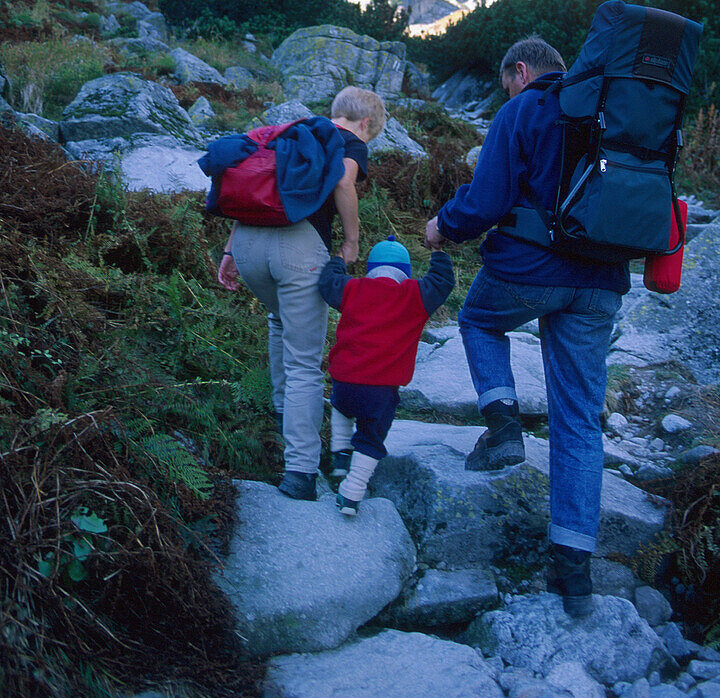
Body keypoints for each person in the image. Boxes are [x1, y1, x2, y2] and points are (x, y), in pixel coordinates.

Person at [425, 36, 629, 617]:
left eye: (504, 83)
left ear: (520, 71)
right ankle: (574, 573)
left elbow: (487, 200)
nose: (504, 92)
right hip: (600, 283)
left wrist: (444, 226)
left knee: (477, 319)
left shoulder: (521, 109)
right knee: (580, 419)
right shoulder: (613, 112)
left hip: (527, 271)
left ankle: (503, 426)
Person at [218, 86, 387, 502]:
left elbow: (260, 189)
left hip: (249, 245)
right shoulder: (350, 141)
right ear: (366, 124)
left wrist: (229, 250)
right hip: (298, 248)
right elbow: (344, 182)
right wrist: (351, 242)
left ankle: (282, 416)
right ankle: (301, 470)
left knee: (279, 321)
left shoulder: (293, 132)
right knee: (306, 364)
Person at [318, 235, 454, 516]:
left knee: (341, 408)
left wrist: (340, 260)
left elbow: (327, 283)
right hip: (381, 390)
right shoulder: (415, 295)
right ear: (405, 273)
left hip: (344, 382)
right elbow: (443, 281)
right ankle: (352, 493)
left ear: (371, 268)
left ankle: (341, 453)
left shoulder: (353, 289)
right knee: (371, 436)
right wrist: (438, 252)